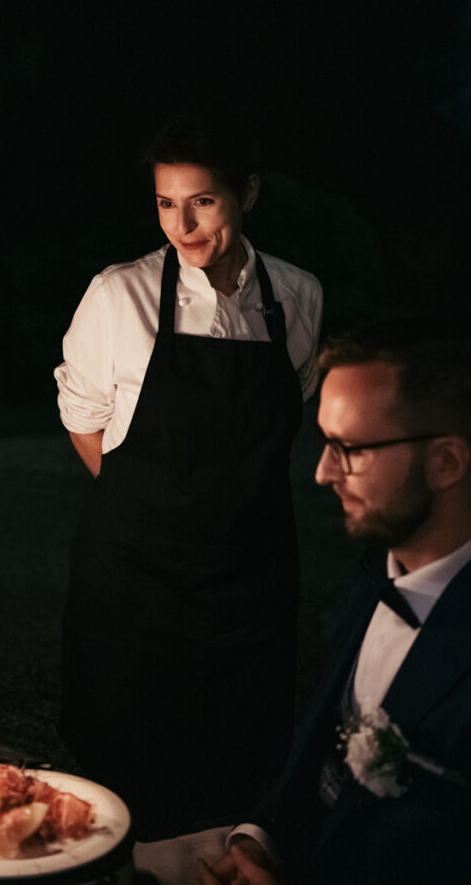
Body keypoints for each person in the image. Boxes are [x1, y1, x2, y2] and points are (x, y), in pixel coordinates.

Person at [53, 112, 323, 842]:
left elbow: (289, 402)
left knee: (234, 779)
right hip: (137, 581)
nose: (182, 223)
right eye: (166, 203)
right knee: (124, 790)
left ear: (247, 194)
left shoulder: (298, 297)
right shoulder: (121, 295)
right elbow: (83, 419)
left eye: (201, 200)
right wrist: (155, 508)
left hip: (250, 581)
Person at [197, 320, 471, 885]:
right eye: (325, 443)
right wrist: (262, 838)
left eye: (349, 449)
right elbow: (326, 731)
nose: (323, 473)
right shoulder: (378, 570)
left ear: (446, 462)